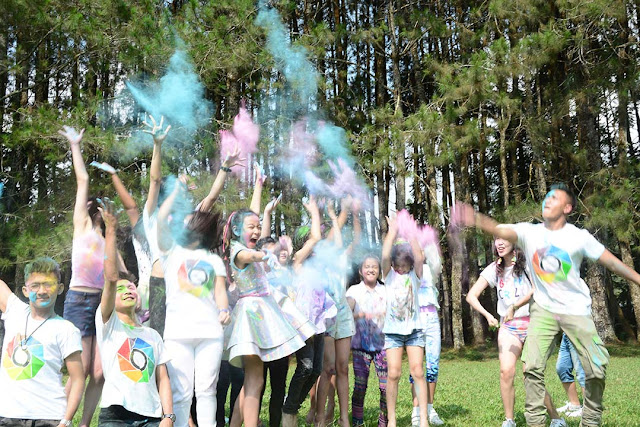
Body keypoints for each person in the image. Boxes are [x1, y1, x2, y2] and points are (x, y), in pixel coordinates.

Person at [454, 183, 640, 426]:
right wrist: (474, 218)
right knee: (531, 367)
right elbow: (498, 229)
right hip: (543, 310)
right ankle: (537, 422)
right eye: (546, 197)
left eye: (555, 198)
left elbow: (613, 264)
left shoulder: (579, 237)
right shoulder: (528, 232)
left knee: (596, 367)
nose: (548, 201)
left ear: (567, 207)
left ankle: (591, 419)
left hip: (575, 310)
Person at [224, 206, 315, 427]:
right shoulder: (239, 251)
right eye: (250, 227)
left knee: (251, 382)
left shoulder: (244, 243)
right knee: (256, 379)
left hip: (261, 312)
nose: (256, 231)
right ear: (236, 229)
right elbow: (251, 255)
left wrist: (260, 197)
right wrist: (265, 254)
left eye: (258, 227)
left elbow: (256, 236)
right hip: (252, 316)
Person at [466, 238, 566, 427]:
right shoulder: (494, 269)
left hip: (534, 323)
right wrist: (488, 315)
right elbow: (472, 296)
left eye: (504, 239)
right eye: (496, 239)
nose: (499, 244)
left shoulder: (527, 262)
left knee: (530, 373)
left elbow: (538, 289)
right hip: (509, 326)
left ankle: (555, 417)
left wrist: (515, 305)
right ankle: (509, 420)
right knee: (506, 371)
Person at [157, 177, 231, 427]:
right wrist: (175, 191)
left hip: (210, 332)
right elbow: (159, 220)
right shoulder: (171, 253)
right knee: (181, 392)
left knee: (207, 390)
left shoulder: (213, 260)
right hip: (177, 333)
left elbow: (220, 291)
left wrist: (224, 309)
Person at [95, 199, 175, 426]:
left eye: (131, 287)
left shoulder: (152, 336)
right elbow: (111, 278)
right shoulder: (108, 324)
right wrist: (110, 232)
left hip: (151, 416)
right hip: (116, 416)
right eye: (121, 289)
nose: (128, 290)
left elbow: (163, 378)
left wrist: (168, 416)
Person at [60, 125, 110, 427]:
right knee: (80, 369)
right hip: (79, 300)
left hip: (102, 303)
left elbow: (119, 271)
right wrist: (76, 145)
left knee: (100, 372)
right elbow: (83, 179)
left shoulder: (108, 238)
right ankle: (60, 417)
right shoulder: (82, 226)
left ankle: (84, 423)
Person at [0, 258, 84, 427]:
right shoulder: (14, 311)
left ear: (60, 288)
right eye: (35, 285)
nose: (42, 291)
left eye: (49, 285)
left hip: (48, 416)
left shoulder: (66, 329)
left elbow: (78, 379)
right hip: (8, 415)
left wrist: (66, 421)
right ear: (25, 290)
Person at [281, 197, 337, 427]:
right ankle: (289, 409)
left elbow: (322, 240)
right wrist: (314, 212)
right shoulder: (297, 261)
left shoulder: (317, 266)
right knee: (304, 366)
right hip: (301, 323)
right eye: (310, 244)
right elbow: (315, 237)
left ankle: (293, 407)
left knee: (315, 371)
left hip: (318, 323)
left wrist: (322, 215)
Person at [381, 216, 429, 427]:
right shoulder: (389, 276)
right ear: (393, 265)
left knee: (418, 371)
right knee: (393, 374)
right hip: (392, 331)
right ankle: (391, 420)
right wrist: (392, 231)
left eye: (404, 264)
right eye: (397, 265)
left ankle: (424, 419)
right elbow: (383, 255)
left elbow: (419, 257)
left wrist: (410, 231)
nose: (401, 268)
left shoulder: (415, 275)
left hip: (415, 330)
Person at [315, 199, 359, 427]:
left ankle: (344, 418)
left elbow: (340, 242)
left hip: (342, 316)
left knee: (343, 368)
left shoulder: (339, 260)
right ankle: (320, 418)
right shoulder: (316, 265)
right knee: (328, 368)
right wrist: (329, 216)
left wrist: (335, 215)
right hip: (324, 317)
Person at [346, 255, 388, 427]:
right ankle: (357, 422)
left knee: (386, 387)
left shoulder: (386, 290)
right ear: (360, 271)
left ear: (379, 271)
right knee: (360, 386)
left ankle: (384, 422)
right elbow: (346, 312)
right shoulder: (353, 290)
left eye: (374, 267)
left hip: (383, 346)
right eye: (367, 267)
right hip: (359, 346)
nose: (371, 269)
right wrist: (359, 315)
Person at [410, 240, 444, 426]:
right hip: (415, 319)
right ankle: (416, 411)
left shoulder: (431, 267)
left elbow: (435, 260)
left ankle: (429, 409)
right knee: (416, 368)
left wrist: (426, 243)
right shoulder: (407, 269)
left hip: (431, 319)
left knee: (433, 366)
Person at [555, 333, 585, 418]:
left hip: (577, 330)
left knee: (581, 371)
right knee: (562, 368)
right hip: (566, 333)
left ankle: (588, 409)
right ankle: (574, 404)